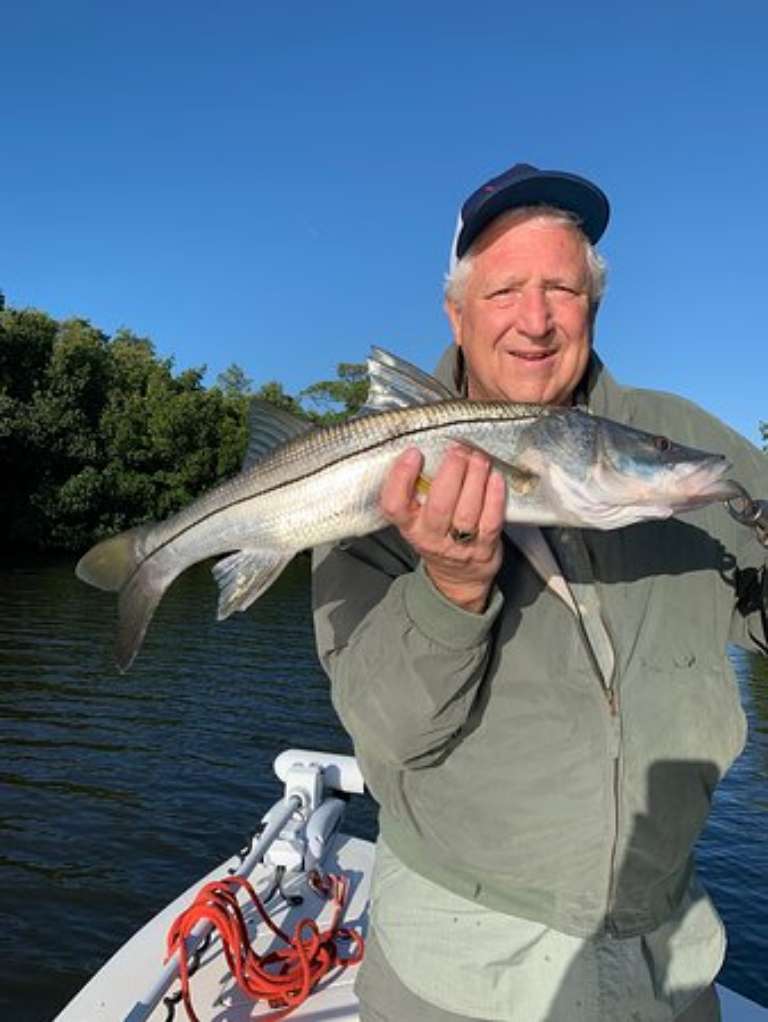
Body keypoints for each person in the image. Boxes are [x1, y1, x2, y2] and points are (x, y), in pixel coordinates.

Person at [312, 163, 768, 1022]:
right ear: (456, 312)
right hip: (461, 966)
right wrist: (449, 588)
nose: (536, 319)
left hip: (669, 951)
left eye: (563, 287)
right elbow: (384, 726)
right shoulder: (380, 475)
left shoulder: (690, 444)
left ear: (594, 306)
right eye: (505, 289)